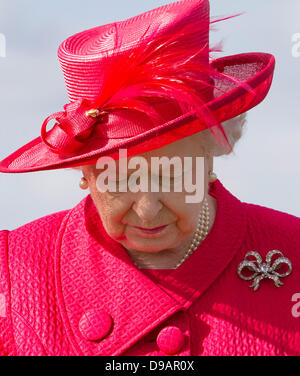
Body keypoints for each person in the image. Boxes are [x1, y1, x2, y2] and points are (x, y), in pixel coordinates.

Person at [0, 0, 299, 356]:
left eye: (172, 176)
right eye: (120, 180)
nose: (147, 209)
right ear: (83, 171)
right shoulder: (15, 271)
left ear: (214, 152)